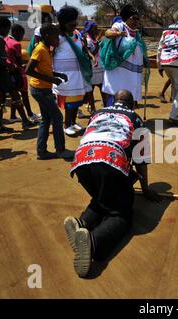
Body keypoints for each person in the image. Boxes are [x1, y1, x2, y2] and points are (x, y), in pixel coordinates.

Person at [64, 89, 161, 278]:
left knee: (104, 197)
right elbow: (141, 162)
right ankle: (94, 242)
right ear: (132, 105)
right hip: (109, 161)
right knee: (121, 212)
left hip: (81, 161)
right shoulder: (137, 120)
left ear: (113, 101)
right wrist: (146, 190)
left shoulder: (98, 113)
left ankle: (82, 222)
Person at [26, 23, 75, 160]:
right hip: (40, 89)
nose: (57, 39)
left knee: (46, 119)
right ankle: (60, 150)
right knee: (58, 117)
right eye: (55, 36)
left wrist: (57, 75)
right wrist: (52, 80)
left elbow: (43, 68)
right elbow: (28, 70)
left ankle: (42, 151)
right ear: (46, 36)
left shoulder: (47, 49)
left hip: (43, 88)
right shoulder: (40, 49)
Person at [0, 16, 34, 134]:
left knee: (1, 99)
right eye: (8, 28)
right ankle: (25, 121)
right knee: (16, 97)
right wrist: (6, 63)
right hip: (2, 73)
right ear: (4, 27)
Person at [53, 6, 92, 137]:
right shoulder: (57, 36)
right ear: (63, 23)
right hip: (66, 75)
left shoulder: (75, 33)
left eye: (75, 23)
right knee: (69, 102)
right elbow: (50, 52)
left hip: (77, 73)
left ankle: (73, 122)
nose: (74, 26)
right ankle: (67, 125)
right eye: (72, 24)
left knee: (77, 100)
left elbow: (82, 47)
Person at [100, 4, 149, 108]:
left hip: (130, 75)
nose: (136, 21)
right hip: (118, 73)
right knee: (116, 96)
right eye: (134, 18)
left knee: (128, 98)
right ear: (126, 18)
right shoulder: (120, 25)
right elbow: (108, 33)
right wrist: (118, 34)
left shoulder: (136, 33)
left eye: (138, 18)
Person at [5, 24, 39, 124]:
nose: (22, 37)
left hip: (8, 73)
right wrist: (27, 63)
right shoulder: (16, 44)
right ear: (16, 33)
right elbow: (19, 63)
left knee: (14, 95)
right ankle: (30, 114)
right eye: (21, 34)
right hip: (18, 73)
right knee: (24, 94)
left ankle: (13, 116)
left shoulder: (5, 40)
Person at [83, 21, 105, 114]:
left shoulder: (95, 40)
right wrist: (98, 44)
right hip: (92, 69)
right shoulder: (87, 41)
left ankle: (106, 107)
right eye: (95, 28)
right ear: (90, 30)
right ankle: (92, 108)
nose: (97, 30)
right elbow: (90, 55)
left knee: (103, 90)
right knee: (90, 91)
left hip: (99, 69)